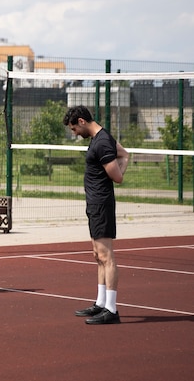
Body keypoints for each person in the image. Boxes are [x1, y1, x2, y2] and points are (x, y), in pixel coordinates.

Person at [63, 105, 129, 325]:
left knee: (106, 256)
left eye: (74, 129)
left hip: (101, 204)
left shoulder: (101, 142)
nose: (74, 133)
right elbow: (122, 152)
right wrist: (125, 156)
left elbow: (118, 175)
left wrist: (124, 163)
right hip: (94, 204)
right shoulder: (101, 138)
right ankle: (101, 303)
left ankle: (111, 309)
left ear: (81, 121)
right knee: (97, 255)